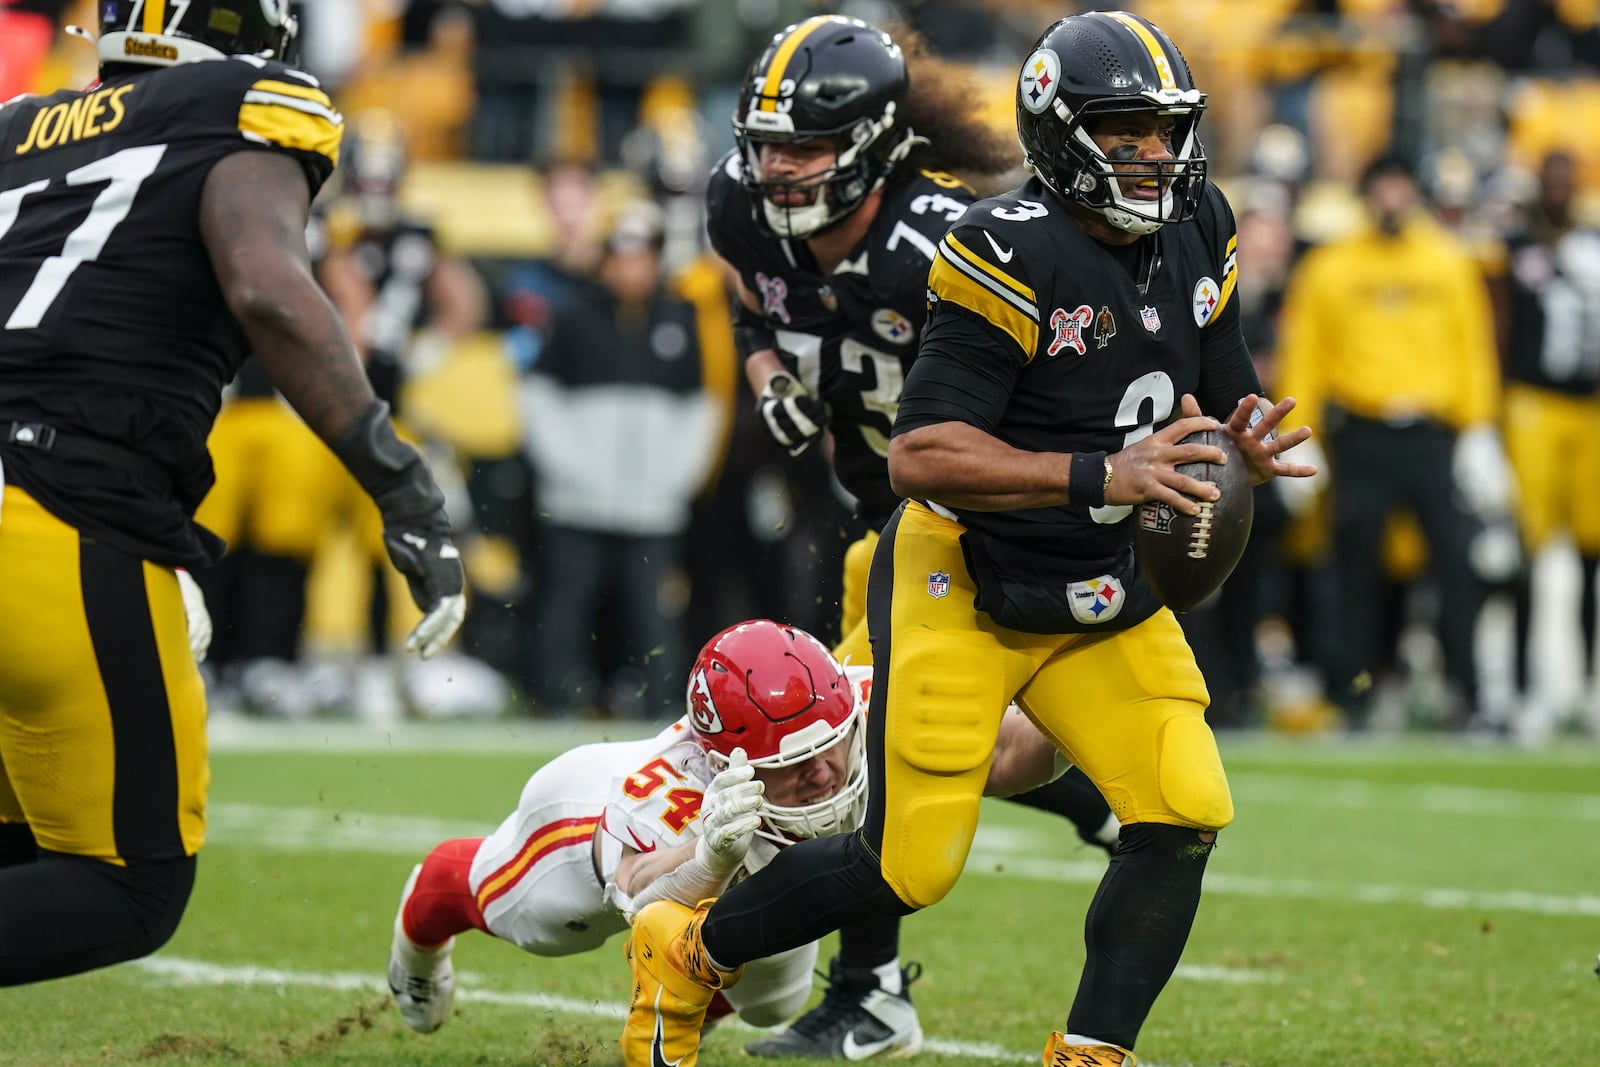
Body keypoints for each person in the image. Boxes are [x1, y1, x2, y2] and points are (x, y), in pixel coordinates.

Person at [620, 12, 1317, 1067]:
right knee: (905, 859)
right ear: (1062, 134)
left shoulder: (1200, 221)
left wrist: (1245, 431)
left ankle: (1089, 1051)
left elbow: (1216, 374)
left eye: (1165, 132)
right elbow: (921, 456)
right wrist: (1102, 471)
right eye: (1124, 133)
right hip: (962, 568)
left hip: (1099, 573)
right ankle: (688, 951)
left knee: (1182, 809)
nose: (1154, 157)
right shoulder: (999, 247)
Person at [0, 1, 465, 986]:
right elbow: (265, 284)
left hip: (44, 487)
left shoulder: (19, 128)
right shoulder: (243, 98)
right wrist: (401, 483)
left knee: (16, 839)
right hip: (59, 506)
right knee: (125, 886)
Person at [704, 14, 1119, 1057]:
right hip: (877, 521)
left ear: (879, 146)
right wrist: (766, 371)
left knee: (851, 743)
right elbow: (751, 295)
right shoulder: (740, 207)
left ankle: (872, 990)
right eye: (767, 145)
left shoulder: (947, 246)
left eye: (805, 147)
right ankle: (1086, 794)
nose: (778, 170)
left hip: (975, 524)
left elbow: (1058, 377)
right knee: (934, 746)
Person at [387, 618, 1064, 1035]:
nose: (826, 771)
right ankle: (423, 920)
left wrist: (1074, 721)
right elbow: (636, 898)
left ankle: (680, 1014)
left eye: (831, 743)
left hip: (752, 856)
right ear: (725, 761)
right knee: (539, 927)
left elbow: (1003, 754)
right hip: (590, 824)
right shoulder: (666, 794)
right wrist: (707, 853)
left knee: (775, 1001)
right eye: (793, 762)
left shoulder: (865, 701)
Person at [1275, 154, 1509, 731]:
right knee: (1354, 572)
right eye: (1383, 187)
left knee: (1456, 566)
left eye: (1401, 186)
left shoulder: (1449, 261)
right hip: (1363, 434)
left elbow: (1471, 347)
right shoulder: (1331, 267)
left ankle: (1469, 695)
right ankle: (1353, 691)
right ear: (1366, 193)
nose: (1392, 199)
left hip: (1432, 436)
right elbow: (1306, 352)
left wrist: (1480, 427)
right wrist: (1300, 435)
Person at [519, 201, 721, 719]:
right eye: (621, 257)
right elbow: (537, 401)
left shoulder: (681, 318)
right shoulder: (569, 316)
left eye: (642, 257)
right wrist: (570, 470)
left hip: (653, 504)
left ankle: (659, 701)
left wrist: (675, 479)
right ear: (606, 260)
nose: (631, 269)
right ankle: (556, 696)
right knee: (566, 606)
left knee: (653, 613)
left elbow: (700, 409)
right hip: (575, 501)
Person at [1498, 150, 1600, 740]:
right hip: (1533, 402)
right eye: (1552, 180)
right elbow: (1501, 321)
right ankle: (1522, 689)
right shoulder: (1515, 245)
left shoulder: (1590, 244)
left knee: (1590, 554)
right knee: (1525, 551)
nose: (1560, 190)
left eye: (1568, 179)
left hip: (1588, 408)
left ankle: (1586, 688)